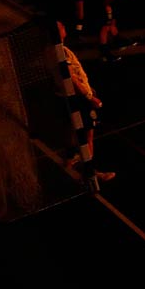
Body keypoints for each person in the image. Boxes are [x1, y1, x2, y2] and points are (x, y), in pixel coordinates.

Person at [54, 22, 112, 183]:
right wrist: (89, 96)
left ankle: (73, 160)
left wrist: (88, 87)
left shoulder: (54, 50)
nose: (65, 29)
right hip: (78, 98)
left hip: (70, 96)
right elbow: (71, 78)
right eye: (62, 27)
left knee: (73, 131)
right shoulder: (60, 52)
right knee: (88, 135)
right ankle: (90, 173)